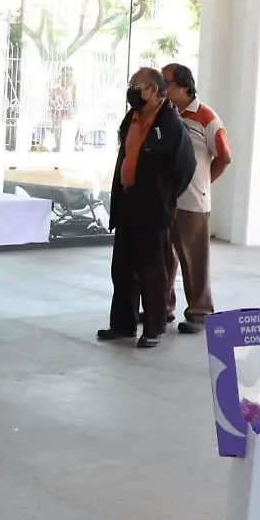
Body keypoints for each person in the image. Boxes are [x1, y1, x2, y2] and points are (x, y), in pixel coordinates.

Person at [98, 67, 196, 348]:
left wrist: (165, 196)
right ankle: (123, 324)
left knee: (152, 271)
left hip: (153, 208)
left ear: (153, 90)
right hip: (127, 202)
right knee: (122, 268)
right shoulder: (132, 117)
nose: (131, 92)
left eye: (136, 87)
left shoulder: (171, 124)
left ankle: (153, 328)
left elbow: (185, 167)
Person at [161, 63, 231, 335]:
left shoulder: (207, 118)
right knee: (163, 258)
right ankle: (162, 307)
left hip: (192, 202)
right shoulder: (165, 114)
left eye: (166, 82)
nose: (162, 88)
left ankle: (200, 312)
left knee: (194, 259)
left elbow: (224, 156)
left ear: (183, 86)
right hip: (165, 199)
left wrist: (203, 182)